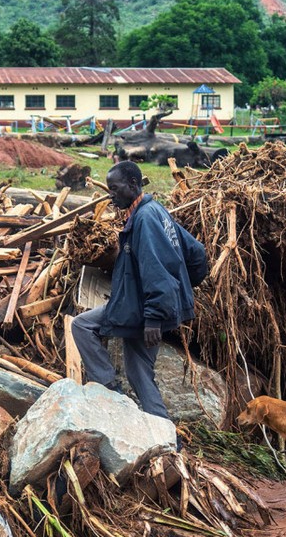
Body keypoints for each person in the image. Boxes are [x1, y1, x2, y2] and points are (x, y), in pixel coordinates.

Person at [70, 161, 207, 419]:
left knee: (82, 326)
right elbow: (196, 253)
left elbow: (156, 269)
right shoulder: (155, 210)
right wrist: (181, 292)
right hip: (143, 306)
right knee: (139, 373)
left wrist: (156, 315)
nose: (111, 194)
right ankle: (165, 433)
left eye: (115, 188)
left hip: (142, 311)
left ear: (133, 184)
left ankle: (111, 392)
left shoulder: (144, 218)